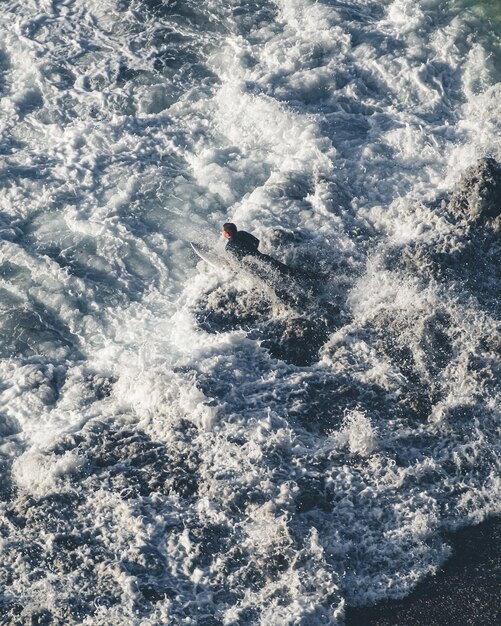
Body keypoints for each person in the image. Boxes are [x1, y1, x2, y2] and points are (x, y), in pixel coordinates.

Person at [222, 223, 293, 277]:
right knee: (288, 272)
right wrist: (253, 251)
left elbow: (237, 263)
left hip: (256, 268)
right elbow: (256, 241)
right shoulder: (242, 233)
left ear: (228, 234)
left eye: (223, 231)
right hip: (263, 257)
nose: (222, 232)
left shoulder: (229, 246)